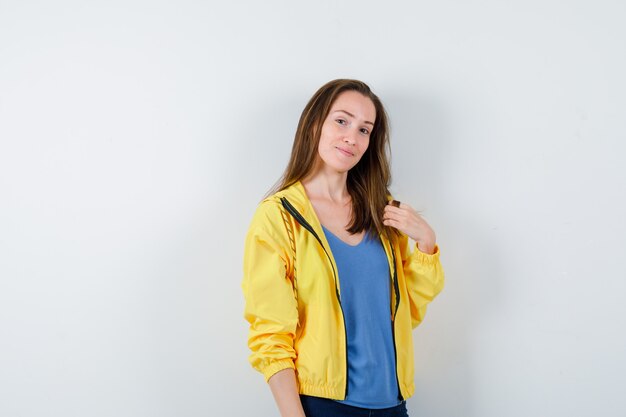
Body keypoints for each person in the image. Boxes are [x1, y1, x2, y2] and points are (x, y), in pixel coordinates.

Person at [242, 79, 445, 417]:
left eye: (365, 129)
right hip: (323, 407)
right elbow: (271, 333)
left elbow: (402, 313)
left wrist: (426, 244)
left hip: (393, 405)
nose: (353, 136)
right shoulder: (278, 217)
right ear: (313, 125)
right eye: (342, 121)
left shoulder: (383, 213)